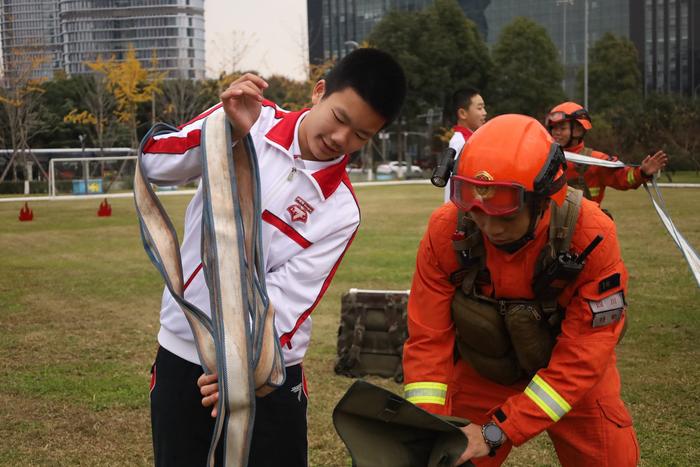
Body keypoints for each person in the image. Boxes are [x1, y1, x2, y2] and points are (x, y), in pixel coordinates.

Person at [140, 48, 406, 467]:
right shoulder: (250, 116)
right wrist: (225, 129)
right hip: (183, 349)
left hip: (269, 375)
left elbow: (286, 302)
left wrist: (240, 370)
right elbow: (155, 163)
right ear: (319, 93)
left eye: (361, 135)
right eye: (339, 118)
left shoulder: (340, 210)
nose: (341, 139)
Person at [403, 114, 639, 466]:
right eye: (478, 211)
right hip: (485, 370)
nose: (489, 227)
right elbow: (428, 340)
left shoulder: (591, 237)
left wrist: (498, 431)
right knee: (440, 457)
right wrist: (429, 423)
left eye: (505, 216)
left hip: (571, 377)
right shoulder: (446, 232)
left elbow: (583, 356)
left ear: (543, 198)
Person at [546, 101, 667, 206]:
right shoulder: (545, 158)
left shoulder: (595, 160)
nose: (556, 132)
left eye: (562, 128)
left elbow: (623, 178)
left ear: (578, 130)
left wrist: (642, 173)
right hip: (551, 229)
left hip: (585, 228)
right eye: (553, 128)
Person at [443, 88, 487, 202]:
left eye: (484, 108)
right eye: (479, 108)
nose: (484, 112)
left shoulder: (472, 140)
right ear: (463, 113)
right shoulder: (459, 142)